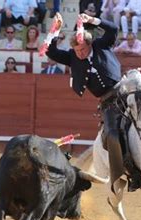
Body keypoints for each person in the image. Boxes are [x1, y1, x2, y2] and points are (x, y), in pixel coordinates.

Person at [47, 13, 124, 185]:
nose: (80, 54)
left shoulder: (101, 45)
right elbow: (50, 51)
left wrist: (92, 20)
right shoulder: (73, 57)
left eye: (82, 49)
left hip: (123, 90)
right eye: (77, 51)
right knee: (111, 134)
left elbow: (113, 29)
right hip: (107, 102)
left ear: (89, 44)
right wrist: (55, 30)